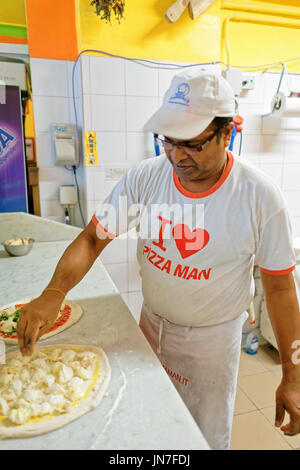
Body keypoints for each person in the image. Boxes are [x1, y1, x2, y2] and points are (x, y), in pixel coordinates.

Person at [17, 71, 300, 450]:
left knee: (202, 437)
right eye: (169, 141)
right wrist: (54, 291)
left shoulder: (258, 198)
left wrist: (293, 375)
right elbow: (91, 239)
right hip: (150, 326)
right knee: (146, 424)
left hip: (211, 344)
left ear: (227, 133)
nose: (177, 156)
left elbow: (280, 288)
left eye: (194, 145)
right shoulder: (148, 178)